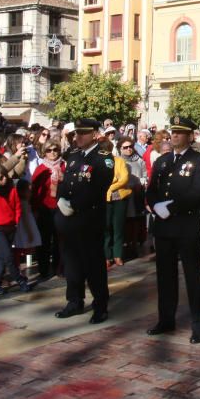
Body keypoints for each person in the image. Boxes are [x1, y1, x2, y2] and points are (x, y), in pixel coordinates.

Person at [146, 116, 200, 343]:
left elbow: (196, 193)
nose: (174, 136)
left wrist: (170, 207)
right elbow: (151, 189)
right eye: (173, 132)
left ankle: (199, 325)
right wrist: (155, 206)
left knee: (192, 276)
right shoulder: (162, 161)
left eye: (180, 132)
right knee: (165, 277)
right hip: (163, 227)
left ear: (190, 136)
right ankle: (166, 319)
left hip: (185, 226)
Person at [54, 119, 114, 322]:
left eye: (84, 133)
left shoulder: (103, 159)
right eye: (76, 133)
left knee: (94, 265)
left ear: (95, 134)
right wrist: (61, 199)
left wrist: (74, 205)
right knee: (72, 263)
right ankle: (74, 300)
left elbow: (98, 189)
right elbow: (66, 183)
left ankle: (100, 306)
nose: (78, 137)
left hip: (89, 219)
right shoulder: (73, 156)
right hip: (70, 220)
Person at [0, 163, 31, 294]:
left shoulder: (12, 190)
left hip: (10, 227)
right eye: (0, 177)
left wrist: (16, 222)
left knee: (2, 257)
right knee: (8, 256)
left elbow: (17, 207)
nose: (4, 179)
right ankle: (20, 280)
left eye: (5, 176)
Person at [31, 138, 65, 278]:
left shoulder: (64, 166)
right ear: (44, 152)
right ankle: (43, 269)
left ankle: (59, 267)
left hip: (60, 207)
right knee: (44, 240)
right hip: (45, 208)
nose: (52, 153)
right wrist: (35, 209)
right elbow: (34, 191)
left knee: (60, 240)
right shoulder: (41, 169)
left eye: (55, 150)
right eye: (49, 150)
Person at [104, 146, 132, 269]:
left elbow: (124, 178)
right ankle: (106, 256)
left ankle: (118, 255)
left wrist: (111, 187)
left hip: (120, 198)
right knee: (106, 227)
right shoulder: (98, 162)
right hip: (104, 199)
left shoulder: (119, 161)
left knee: (118, 227)